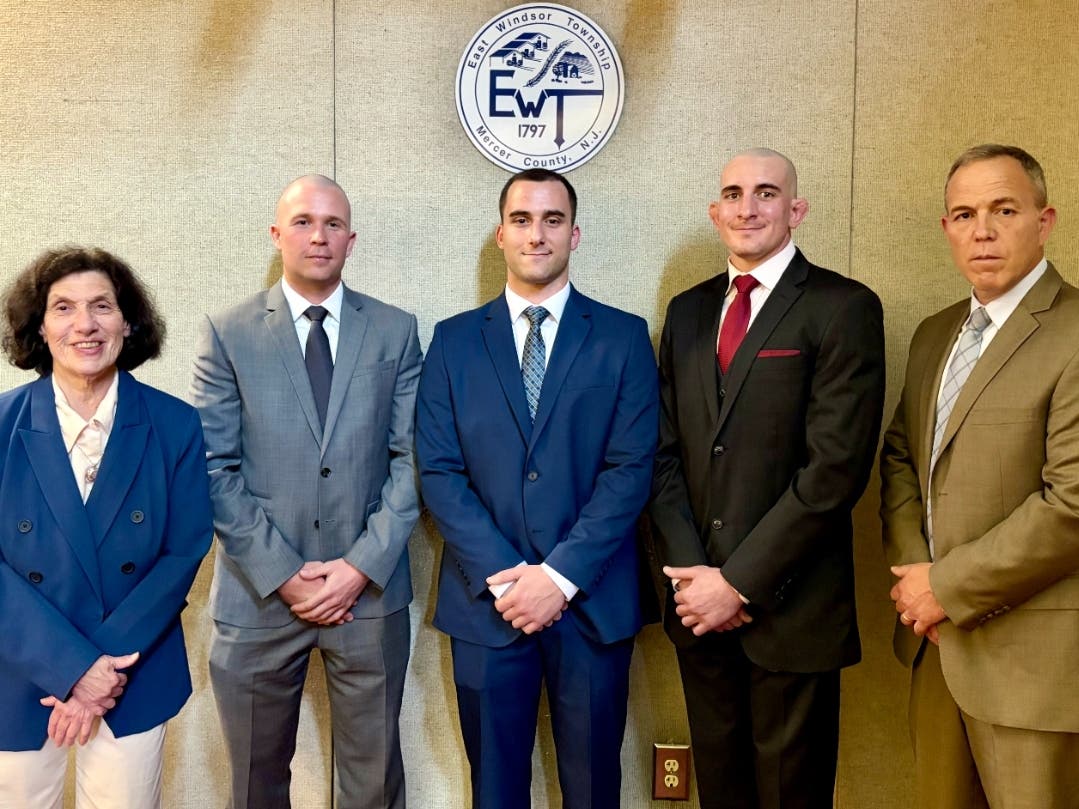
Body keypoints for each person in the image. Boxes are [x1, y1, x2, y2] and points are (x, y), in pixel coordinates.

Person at [649, 148, 886, 809]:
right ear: (714, 211)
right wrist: (697, 580)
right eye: (732, 193)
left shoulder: (842, 307)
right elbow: (663, 455)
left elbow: (833, 471)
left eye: (764, 193)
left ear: (795, 208)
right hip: (699, 613)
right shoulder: (689, 311)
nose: (746, 207)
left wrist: (739, 582)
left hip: (789, 611)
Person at [415, 168, 658, 809]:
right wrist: (507, 574)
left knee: (593, 786)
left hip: (591, 602)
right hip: (487, 606)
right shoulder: (452, 341)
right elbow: (439, 471)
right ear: (501, 234)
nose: (537, 233)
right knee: (494, 790)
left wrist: (559, 576)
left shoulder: (623, 337)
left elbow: (630, 470)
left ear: (574, 235)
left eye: (552, 220)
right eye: (522, 219)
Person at [190, 175, 422, 809]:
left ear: (351, 239)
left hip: (367, 598)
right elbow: (213, 468)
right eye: (302, 222)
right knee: (254, 786)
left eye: (332, 224)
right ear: (276, 234)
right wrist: (285, 574)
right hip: (257, 597)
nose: (318, 235)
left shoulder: (397, 331)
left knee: (373, 784)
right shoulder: (228, 332)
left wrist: (358, 568)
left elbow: (413, 463)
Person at [880, 144, 1079, 808]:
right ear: (946, 229)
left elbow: (1071, 502)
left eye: (1003, 209)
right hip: (934, 647)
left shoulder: (1074, 332)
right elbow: (902, 457)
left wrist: (944, 584)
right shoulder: (935, 334)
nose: (982, 230)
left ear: (1043, 219)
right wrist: (915, 577)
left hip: (1032, 665)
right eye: (963, 214)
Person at [0, 246, 212, 808]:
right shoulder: (0, 425)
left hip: (131, 670)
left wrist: (100, 676)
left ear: (128, 322)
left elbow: (182, 552)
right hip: (19, 669)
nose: (85, 325)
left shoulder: (175, 425)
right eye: (63, 308)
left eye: (102, 306)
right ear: (40, 327)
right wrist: (71, 669)